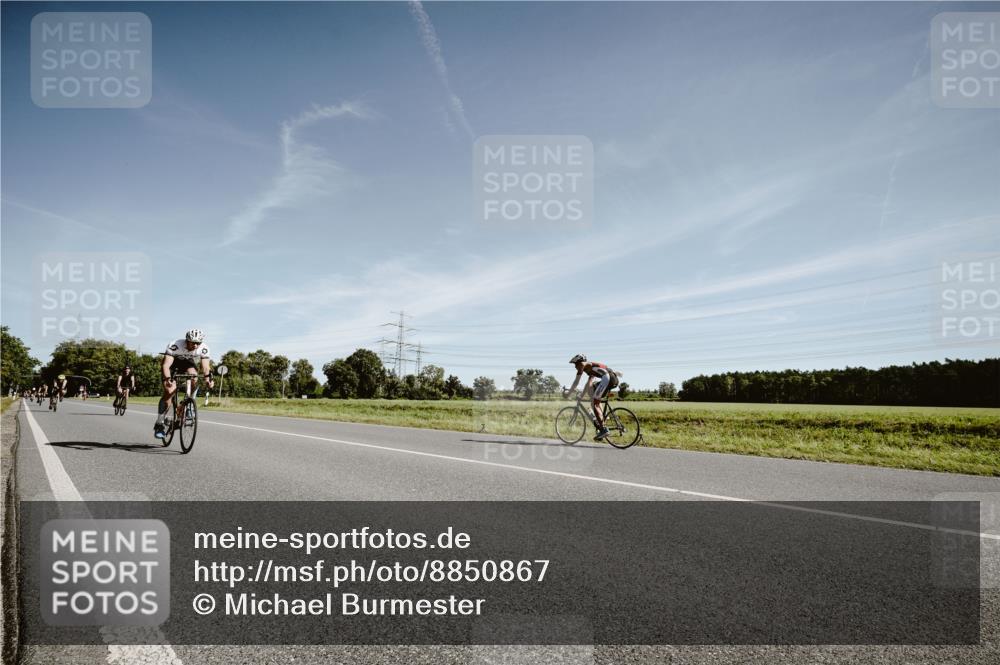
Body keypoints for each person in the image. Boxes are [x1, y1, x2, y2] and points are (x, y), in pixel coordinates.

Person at [154, 329, 213, 439]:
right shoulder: (175, 345)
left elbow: (205, 367)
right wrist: (167, 379)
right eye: (193, 342)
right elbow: (166, 365)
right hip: (172, 364)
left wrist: (208, 379)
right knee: (170, 391)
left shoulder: (204, 348)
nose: (196, 345)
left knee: (194, 377)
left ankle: (187, 404)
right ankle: (159, 423)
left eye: (198, 343)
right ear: (187, 340)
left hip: (187, 362)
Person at [565, 354, 620, 441]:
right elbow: (588, 385)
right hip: (613, 378)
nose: (575, 367)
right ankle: (601, 421)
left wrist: (568, 394)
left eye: (575, 364)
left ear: (580, 362)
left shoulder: (583, 365)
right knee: (593, 395)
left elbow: (576, 382)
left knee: (595, 404)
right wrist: (581, 396)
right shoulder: (590, 368)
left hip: (608, 378)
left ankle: (603, 429)